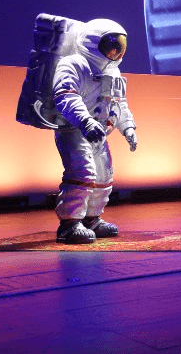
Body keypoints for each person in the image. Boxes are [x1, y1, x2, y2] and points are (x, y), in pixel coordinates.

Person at [52, 19, 138, 244]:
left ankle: (92, 219)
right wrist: (85, 121)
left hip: (99, 132)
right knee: (82, 173)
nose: (115, 51)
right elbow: (65, 96)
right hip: (74, 129)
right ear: (93, 43)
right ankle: (69, 224)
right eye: (111, 45)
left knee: (104, 175)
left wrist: (128, 128)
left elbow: (119, 103)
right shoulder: (74, 64)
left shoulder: (114, 72)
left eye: (120, 46)